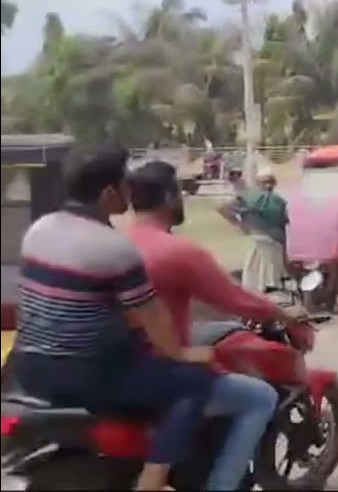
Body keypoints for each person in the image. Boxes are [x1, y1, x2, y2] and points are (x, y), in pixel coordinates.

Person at [11, 146, 217, 492]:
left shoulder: (39, 230)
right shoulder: (114, 248)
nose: (130, 190)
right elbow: (151, 314)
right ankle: (152, 482)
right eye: (125, 183)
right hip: (87, 375)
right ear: (109, 193)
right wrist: (183, 354)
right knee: (193, 381)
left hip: (29, 369)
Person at [127, 161, 307, 491]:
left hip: (123, 365)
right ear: (169, 196)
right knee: (260, 397)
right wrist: (286, 315)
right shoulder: (178, 251)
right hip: (162, 371)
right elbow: (236, 299)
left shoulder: (120, 243)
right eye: (178, 192)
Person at [220, 167, 289, 293]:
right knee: (264, 272)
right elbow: (224, 208)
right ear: (258, 183)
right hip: (265, 240)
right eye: (264, 182)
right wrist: (239, 223)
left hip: (268, 240)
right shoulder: (253, 198)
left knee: (258, 272)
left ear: (274, 183)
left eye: (270, 182)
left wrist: (240, 223)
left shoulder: (275, 201)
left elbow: (224, 209)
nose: (268, 186)